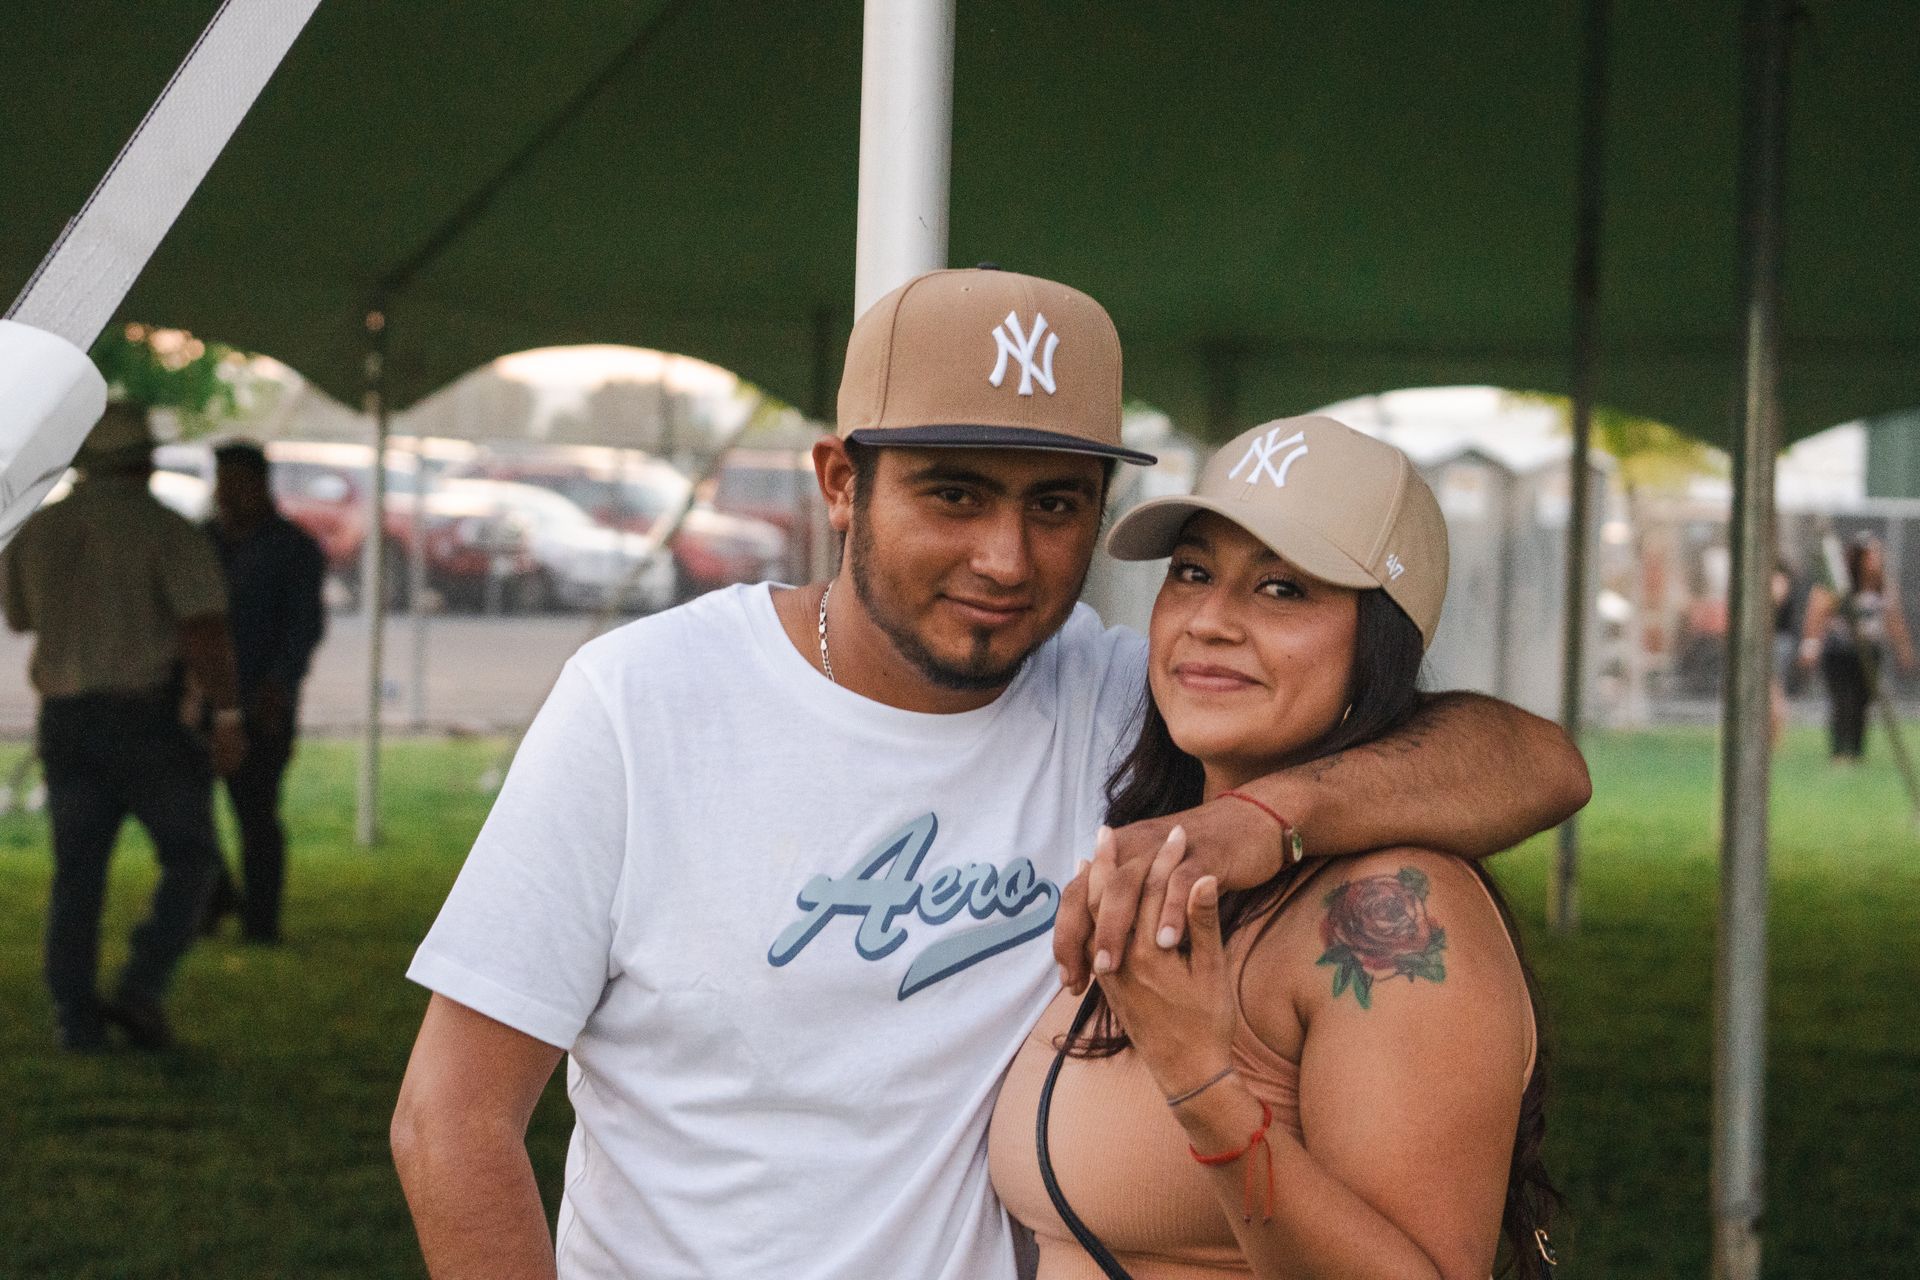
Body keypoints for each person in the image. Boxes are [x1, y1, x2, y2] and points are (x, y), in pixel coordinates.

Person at [390, 269, 1590, 1279]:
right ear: (842, 483)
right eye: (954, 492)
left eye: (1055, 503)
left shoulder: (1130, 708)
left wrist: (1267, 821)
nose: (1005, 559)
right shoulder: (643, 704)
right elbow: (451, 1118)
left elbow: (1531, 760)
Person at [990, 416, 1553, 1280]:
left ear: (1380, 641)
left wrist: (1204, 1090)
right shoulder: (1154, 850)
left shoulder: (1391, 911)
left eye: (1283, 589)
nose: (1210, 620)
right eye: (1193, 573)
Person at [0, 404, 246, 1052]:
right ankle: (140, 986)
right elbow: (204, 627)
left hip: (67, 719)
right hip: (145, 719)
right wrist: (225, 712)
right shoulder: (165, 530)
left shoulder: (38, 530)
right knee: (192, 857)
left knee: (77, 873)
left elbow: (21, 619)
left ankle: (75, 1019)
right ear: (145, 459)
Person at [200, 439, 327, 944]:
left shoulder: (291, 547)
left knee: (255, 812)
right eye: (221, 483)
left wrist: (280, 685)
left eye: (235, 483)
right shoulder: (204, 541)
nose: (226, 494)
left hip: (262, 699)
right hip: (206, 698)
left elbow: (304, 625)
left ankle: (260, 921)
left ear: (259, 484)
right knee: (187, 812)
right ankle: (213, 896)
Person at [1800, 533, 1916, 762]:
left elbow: (1894, 619)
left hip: (1869, 651)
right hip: (1839, 650)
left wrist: (1904, 649)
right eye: (1871, 555)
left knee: (1863, 702)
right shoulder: (1840, 584)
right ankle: (1840, 751)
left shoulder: (1882, 586)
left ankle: (1856, 751)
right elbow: (1817, 613)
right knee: (1842, 700)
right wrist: (1810, 646)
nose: (1876, 560)